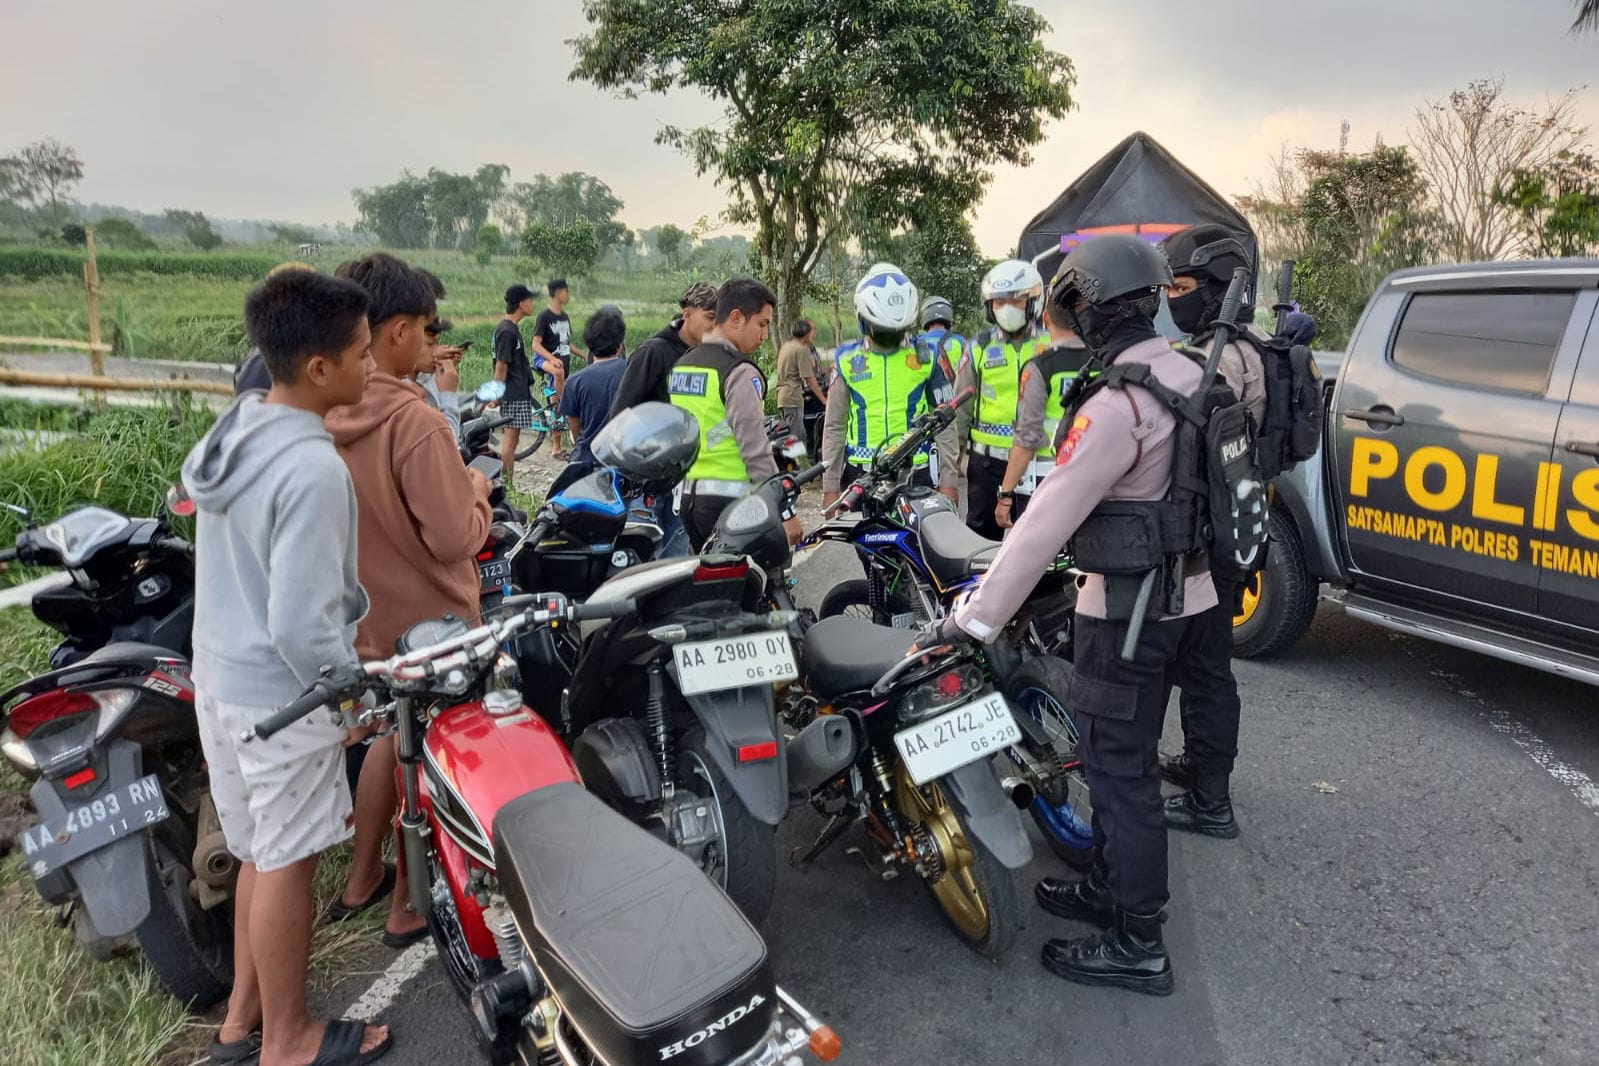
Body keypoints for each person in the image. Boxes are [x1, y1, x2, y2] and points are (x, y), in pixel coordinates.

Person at [939, 233, 1224, 996]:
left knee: (1118, 773)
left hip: (1126, 613)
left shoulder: (1118, 403)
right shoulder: (1194, 372)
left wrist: (974, 619)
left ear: (1090, 309)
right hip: (1193, 599)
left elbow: (1043, 525)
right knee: (1123, 760)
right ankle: (1106, 886)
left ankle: (1139, 941)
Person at [182, 269, 393, 1064]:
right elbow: (303, 627)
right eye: (361, 354)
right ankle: (291, 1039)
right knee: (288, 862)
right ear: (318, 369)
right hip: (280, 699)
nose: (369, 366)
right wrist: (351, 702)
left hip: (220, 684)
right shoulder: (311, 469)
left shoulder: (233, 430)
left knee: (258, 856)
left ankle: (240, 1026)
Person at [325, 253, 493, 951]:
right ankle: (406, 904)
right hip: (432, 623)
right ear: (393, 331)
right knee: (419, 757)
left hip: (363, 617)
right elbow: (454, 535)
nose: (431, 344)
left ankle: (360, 878)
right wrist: (478, 497)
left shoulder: (322, 411)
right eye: (425, 330)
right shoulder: (415, 422)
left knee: (383, 742)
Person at [1155, 224, 1268, 839]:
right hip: (1244, 523)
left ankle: (1210, 801)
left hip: (1206, 539)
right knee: (1206, 661)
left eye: (1184, 284)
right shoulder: (1264, 347)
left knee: (1201, 667)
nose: (1173, 295)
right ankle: (1199, 766)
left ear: (1220, 288)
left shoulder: (1215, 359)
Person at [669, 277, 796, 549]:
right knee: (758, 584)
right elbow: (755, 448)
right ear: (736, 318)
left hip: (687, 501)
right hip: (731, 503)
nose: (764, 335)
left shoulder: (682, 366)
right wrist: (786, 512)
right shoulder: (738, 372)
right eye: (762, 324)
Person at [820, 263, 960, 507]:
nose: (891, 339)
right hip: (861, 479)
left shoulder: (928, 356)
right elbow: (834, 426)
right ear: (864, 319)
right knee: (867, 546)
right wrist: (830, 487)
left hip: (916, 475)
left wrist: (949, 481)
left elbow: (946, 423)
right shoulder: (846, 360)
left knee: (918, 544)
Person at [609, 281, 718, 557]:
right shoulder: (654, 352)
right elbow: (621, 415)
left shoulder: (708, 358)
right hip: (648, 486)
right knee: (643, 566)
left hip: (686, 483)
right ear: (688, 313)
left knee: (676, 567)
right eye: (710, 318)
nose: (714, 327)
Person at [954, 259, 1046, 540]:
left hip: (1038, 463)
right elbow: (961, 408)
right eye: (998, 302)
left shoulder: (1051, 345)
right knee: (981, 544)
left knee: (1037, 545)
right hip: (987, 466)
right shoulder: (978, 348)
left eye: (1016, 301)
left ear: (1033, 303)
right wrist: (955, 457)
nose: (1006, 308)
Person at [994, 303, 1091, 530]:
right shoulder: (1104, 362)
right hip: (1096, 477)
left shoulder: (1039, 368)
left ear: (1045, 318)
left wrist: (1005, 493)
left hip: (1047, 478)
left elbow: (1027, 438)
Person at [551, 305, 629, 496]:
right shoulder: (632, 373)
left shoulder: (574, 382)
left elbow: (575, 430)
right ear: (620, 345)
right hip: (624, 463)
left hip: (585, 462)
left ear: (589, 347)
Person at [494, 284, 538, 486]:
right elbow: (502, 365)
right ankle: (507, 485)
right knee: (510, 441)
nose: (532, 304)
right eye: (530, 300)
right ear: (521, 303)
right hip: (512, 391)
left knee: (513, 440)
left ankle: (507, 481)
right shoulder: (507, 331)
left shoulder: (511, 329)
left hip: (517, 390)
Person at [533, 278, 582, 459]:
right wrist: (552, 358)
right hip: (546, 361)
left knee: (559, 408)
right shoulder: (544, 316)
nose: (568, 295)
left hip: (562, 364)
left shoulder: (564, 317)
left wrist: (586, 355)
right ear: (559, 292)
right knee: (558, 406)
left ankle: (558, 445)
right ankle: (556, 447)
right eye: (567, 291)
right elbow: (536, 345)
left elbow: (567, 343)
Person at [776, 319, 826, 453]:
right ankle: (796, 470)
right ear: (806, 333)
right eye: (812, 331)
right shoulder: (801, 349)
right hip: (793, 397)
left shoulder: (787, 346)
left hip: (783, 396)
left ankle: (797, 467)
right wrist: (824, 400)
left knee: (793, 435)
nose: (814, 335)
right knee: (796, 438)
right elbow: (810, 378)